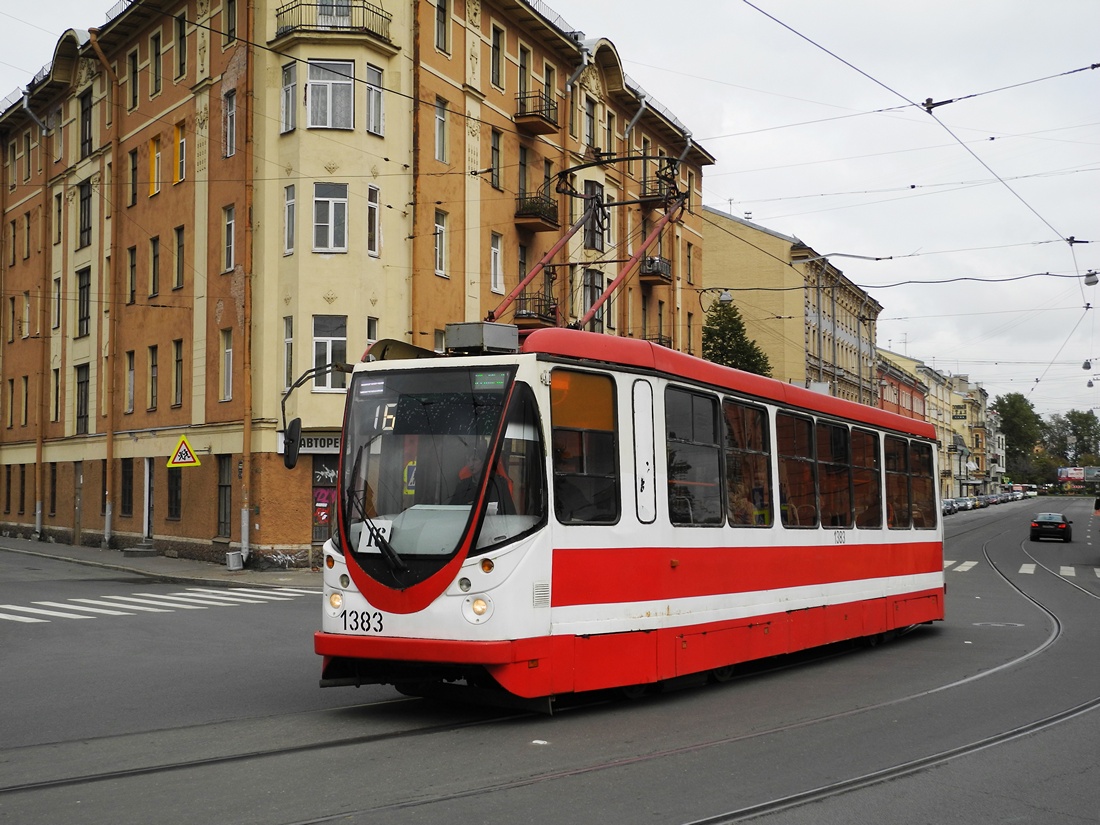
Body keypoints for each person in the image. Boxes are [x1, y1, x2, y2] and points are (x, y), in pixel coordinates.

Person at [451, 452, 515, 514]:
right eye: (468, 460)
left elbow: (509, 512)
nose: (470, 464)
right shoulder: (463, 484)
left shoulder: (499, 483)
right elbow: (452, 509)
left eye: (474, 460)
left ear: (484, 461)